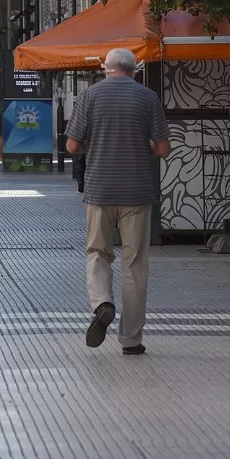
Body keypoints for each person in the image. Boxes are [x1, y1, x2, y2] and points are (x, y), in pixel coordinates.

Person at [65, 48, 170, 355]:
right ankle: (132, 340)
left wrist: (94, 142)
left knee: (98, 253)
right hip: (137, 192)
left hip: (100, 191)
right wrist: (145, 144)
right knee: (135, 265)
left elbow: (72, 145)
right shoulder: (148, 98)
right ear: (135, 69)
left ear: (105, 68)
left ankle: (102, 303)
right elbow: (164, 149)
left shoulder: (89, 97)